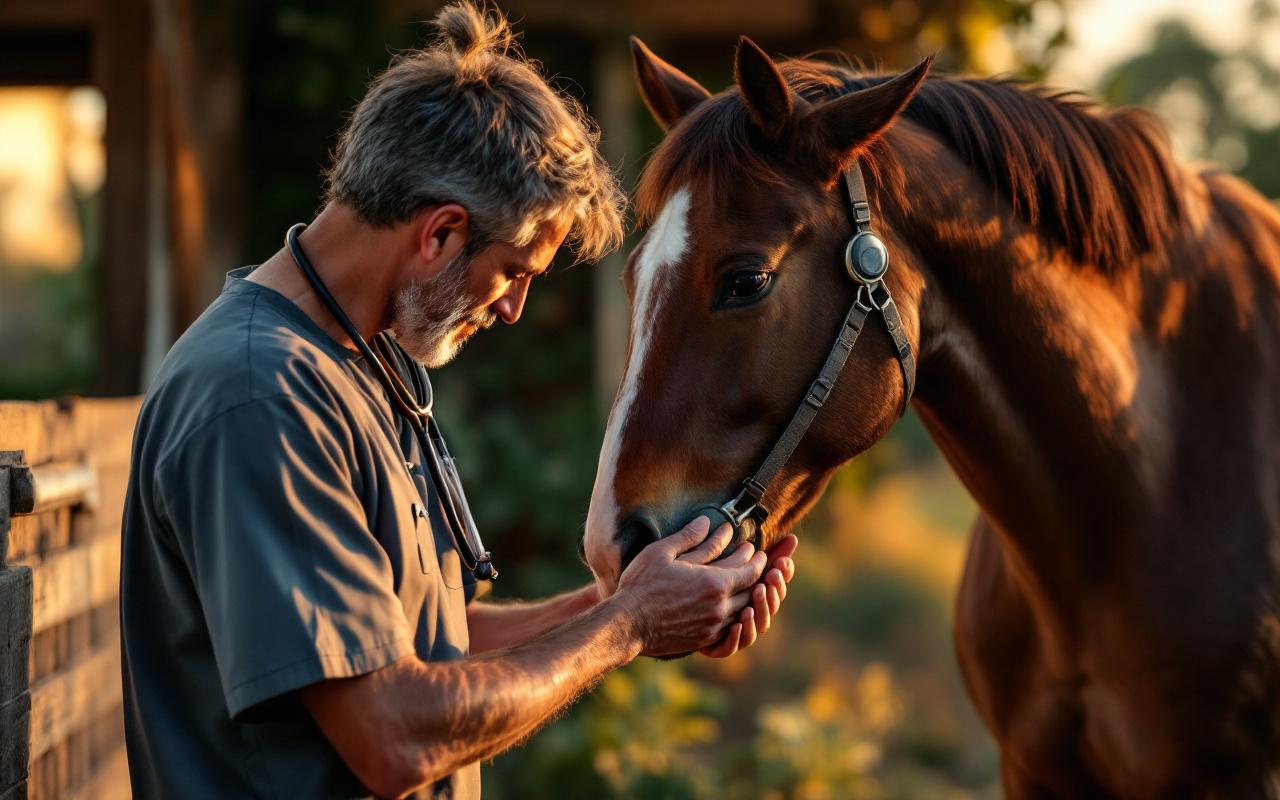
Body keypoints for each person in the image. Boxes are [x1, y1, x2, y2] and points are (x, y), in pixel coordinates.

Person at [119, 4, 798, 798]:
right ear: (441, 233)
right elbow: (389, 733)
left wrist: (632, 597)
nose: (511, 310)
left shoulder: (363, 362)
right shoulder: (259, 397)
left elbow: (419, 644)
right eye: (514, 271)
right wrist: (628, 625)